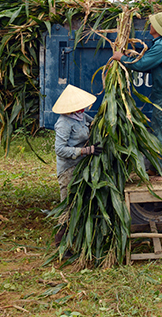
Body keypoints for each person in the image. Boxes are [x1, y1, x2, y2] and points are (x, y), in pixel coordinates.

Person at [111, 12, 162, 175]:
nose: (150, 25)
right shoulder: (161, 44)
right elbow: (149, 63)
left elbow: (142, 65)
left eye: (152, 23)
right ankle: (156, 168)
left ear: (157, 28)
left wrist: (121, 58)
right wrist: (131, 57)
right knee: (157, 131)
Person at [52, 84, 97, 246]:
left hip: (81, 168)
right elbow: (60, 150)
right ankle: (62, 243)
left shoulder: (81, 117)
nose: (84, 108)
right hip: (68, 170)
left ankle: (77, 239)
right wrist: (85, 151)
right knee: (68, 205)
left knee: (80, 203)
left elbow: (96, 122)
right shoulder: (64, 123)